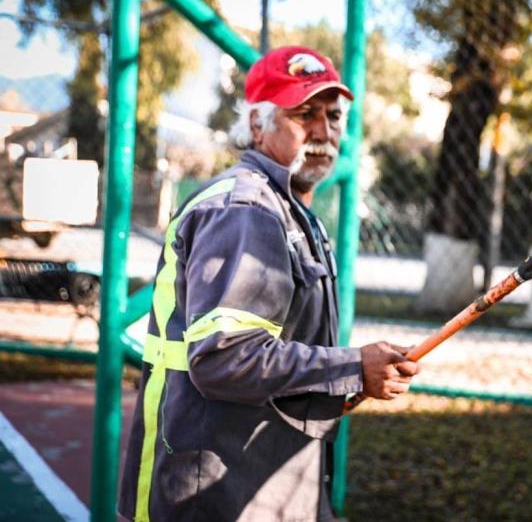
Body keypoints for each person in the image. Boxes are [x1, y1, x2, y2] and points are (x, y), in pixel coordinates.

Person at [119, 46, 421, 522]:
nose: (323, 131)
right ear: (257, 126)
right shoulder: (245, 210)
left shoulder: (294, 213)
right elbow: (224, 357)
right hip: (218, 491)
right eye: (304, 114)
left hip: (265, 481)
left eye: (333, 116)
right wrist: (351, 367)